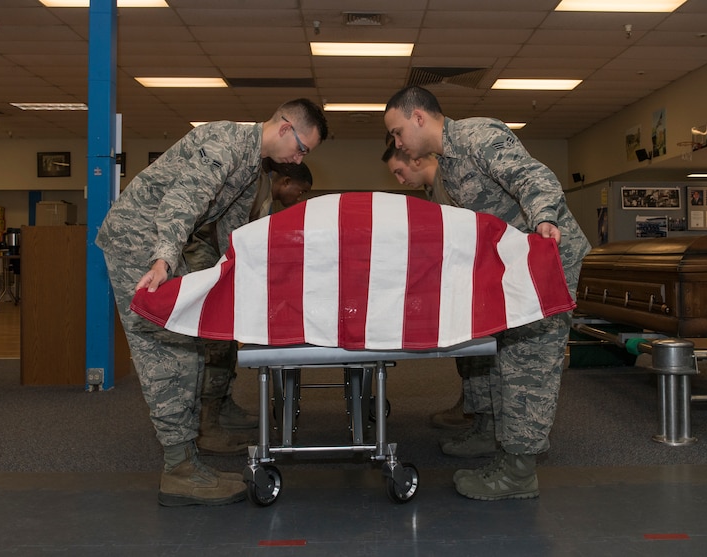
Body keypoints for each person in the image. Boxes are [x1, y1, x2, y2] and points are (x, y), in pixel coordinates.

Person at [95, 99, 328, 507]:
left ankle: (189, 454)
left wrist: (244, 281)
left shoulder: (249, 163)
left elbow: (235, 232)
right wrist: (164, 257)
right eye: (303, 148)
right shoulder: (225, 141)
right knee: (168, 351)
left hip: (167, 244)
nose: (297, 160)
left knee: (193, 344)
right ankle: (180, 469)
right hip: (141, 243)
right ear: (286, 126)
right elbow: (182, 201)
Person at [384, 86, 591, 501]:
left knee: (528, 363)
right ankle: (509, 452)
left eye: (397, 131)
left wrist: (545, 218)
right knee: (506, 357)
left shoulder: (476, 137)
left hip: (545, 260)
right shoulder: (450, 162)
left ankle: (519, 474)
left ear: (419, 117)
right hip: (516, 268)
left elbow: (534, 177)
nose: (397, 143)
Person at [185, 159, 315, 455]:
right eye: (301, 190)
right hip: (207, 261)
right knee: (216, 342)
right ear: (285, 182)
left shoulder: (264, 192)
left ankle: (223, 406)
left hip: (219, 260)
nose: (300, 197)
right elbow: (229, 237)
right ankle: (207, 426)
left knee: (228, 337)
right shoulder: (254, 186)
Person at [381, 142, 502, 457]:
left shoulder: (454, 184)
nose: (399, 180)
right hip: (470, 283)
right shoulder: (437, 190)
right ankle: (478, 421)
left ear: (417, 159)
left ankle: (488, 429)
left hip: (486, 282)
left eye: (399, 170)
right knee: (472, 356)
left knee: (483, 356)